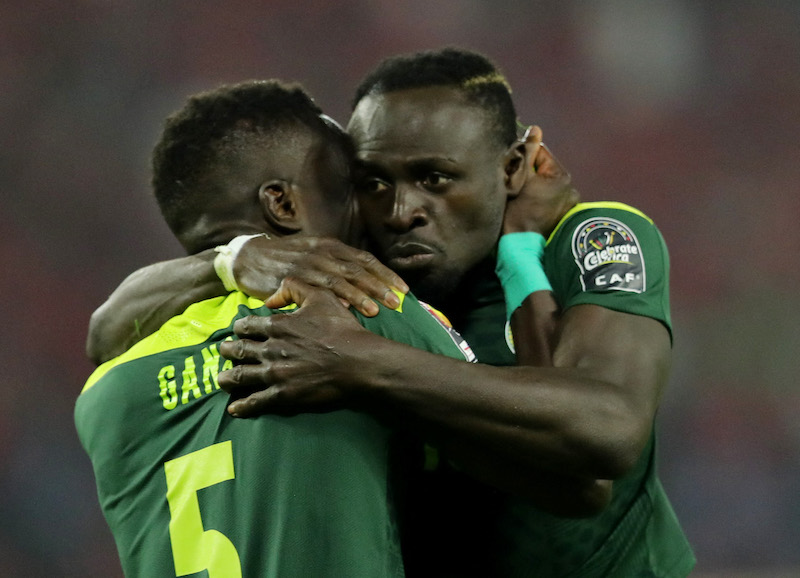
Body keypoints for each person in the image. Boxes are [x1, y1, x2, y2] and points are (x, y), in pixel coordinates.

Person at [88, 48, 695, 576]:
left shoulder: (590, 238)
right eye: (373, 182)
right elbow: (105, 329)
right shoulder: (362, 273)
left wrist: (513, 262)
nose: (402, 208)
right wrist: (232, 256)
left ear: (511, 169)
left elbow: (605, 433)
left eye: (435, 177)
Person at [74, 80, 476, 577]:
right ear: (283, 205)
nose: (379, 211)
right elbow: (520, 452)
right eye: (351, 185)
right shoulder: (361, 309)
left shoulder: (109, 395)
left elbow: (105, 334)